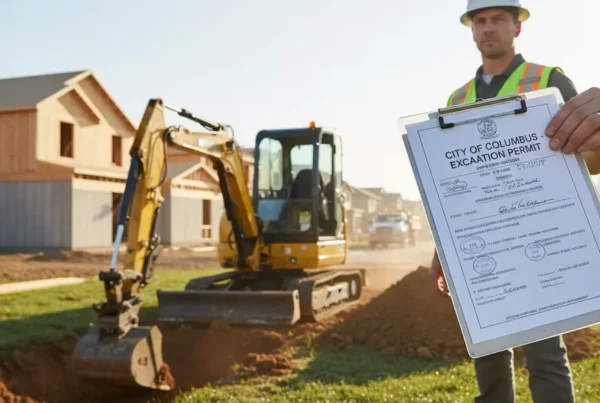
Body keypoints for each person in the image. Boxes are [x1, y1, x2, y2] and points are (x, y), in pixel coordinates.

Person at [429, 1, 600, 402]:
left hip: (540, 234)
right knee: (487, 348)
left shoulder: (548, 80)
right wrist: (441, 247)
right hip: (483, 240)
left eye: (499, 20)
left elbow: (589, 158)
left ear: (517, 28)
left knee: (544, 352)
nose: (489, 28)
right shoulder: (456, 99)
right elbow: (448, 184)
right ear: (471, 31)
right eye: (481, 21)